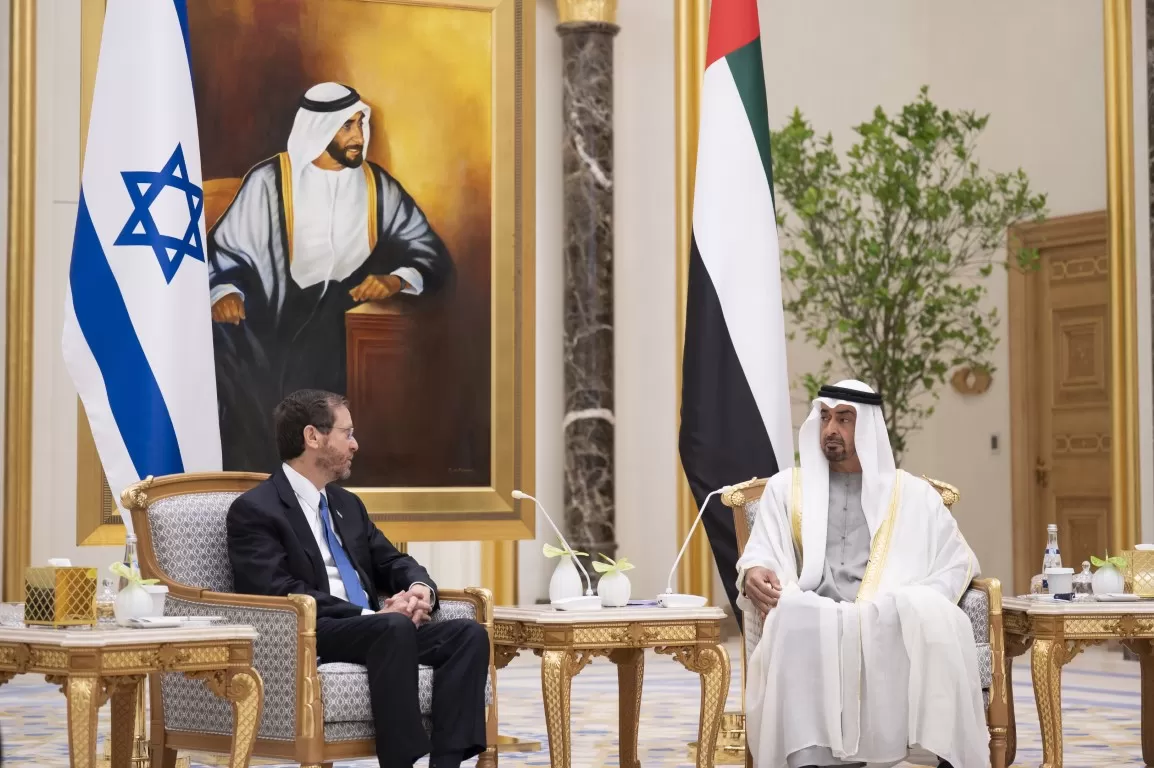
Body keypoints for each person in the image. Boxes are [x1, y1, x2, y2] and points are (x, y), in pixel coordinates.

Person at [226, 389, 487, 768]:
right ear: (312, 436)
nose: (355, 444)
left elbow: (392, 560)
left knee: (468, 634)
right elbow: (276, 590)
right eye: (346, 433)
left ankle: (445, 765)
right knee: (393, 628)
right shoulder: (256, 510)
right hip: (313, 632)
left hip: (379, 631)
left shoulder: (346, 504)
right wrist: (371, 616)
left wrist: (419, 591)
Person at [737, 380, 985, 768]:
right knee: (793, 617)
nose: (830, 429)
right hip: (813, 609)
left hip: (886, 613)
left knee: (920, 619)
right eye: (825, 418)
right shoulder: (788, 488)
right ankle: (810, 759)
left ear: (867, 426)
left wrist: (918, 600)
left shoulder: (912, 494)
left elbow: (957, 561)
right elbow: (762, 549)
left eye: (844, 419)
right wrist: (754, 570)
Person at [208, 82, 455, 472]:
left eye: (360, 123)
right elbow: (224, 252)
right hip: (266, 316)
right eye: (346, 126)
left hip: (336, 320)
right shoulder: (270, 181)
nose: (358, 136)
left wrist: (395, 280)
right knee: (238, 367)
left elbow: (429, 251)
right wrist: (224, 291)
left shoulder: (376, 186)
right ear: (319, 129)